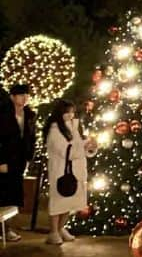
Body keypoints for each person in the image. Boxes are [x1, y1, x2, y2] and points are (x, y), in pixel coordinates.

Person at [43, 99, 95, 245]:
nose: (70, 115)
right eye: (67, 112)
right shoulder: (55, 130)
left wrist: (89, 146)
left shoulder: (74, 127)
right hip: (61, 170)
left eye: (72, 112)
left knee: (69, 202)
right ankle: (53, 231)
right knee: (59, 201)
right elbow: (67, 151)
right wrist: (84, 146)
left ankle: (60, 228)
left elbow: (79, 148)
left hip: (75, 170)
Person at [0, 82, 37, 242]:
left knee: (13, 195)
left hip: (19, 161)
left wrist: (29, 158)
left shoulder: (29, 114)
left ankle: (7, 228)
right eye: (22, 95)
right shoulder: (3, 113)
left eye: (27, 95)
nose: (25, 98)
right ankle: (4, 229)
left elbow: (31, 137)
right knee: (3, 193)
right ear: (13, 97)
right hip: (5, 159)